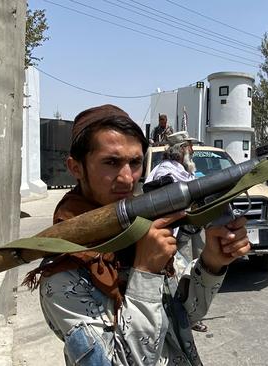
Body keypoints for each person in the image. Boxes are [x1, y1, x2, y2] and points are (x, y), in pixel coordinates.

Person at [26, 104, 250, 365]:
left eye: (135, 163)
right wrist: (145, 272)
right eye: (111, 162)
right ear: (76, 168)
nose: (127, 179)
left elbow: (182, 316)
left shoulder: (140, 230)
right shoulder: (63, 272)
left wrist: (212, 262)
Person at [144, 130, 208, 332]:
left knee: (197, 272)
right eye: (189, 146)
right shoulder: (165, 173)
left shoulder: (182, 169)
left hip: (192, 229)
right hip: (177, 234)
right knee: (183, 277)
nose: (192, 150)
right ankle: (185, 317)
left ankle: (190, 314)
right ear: (181, 150)